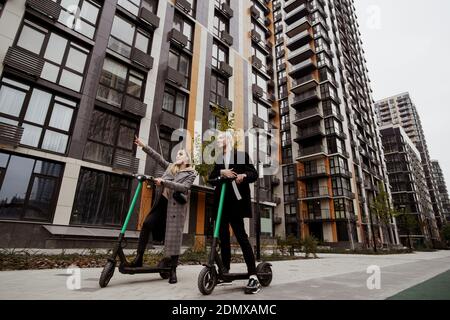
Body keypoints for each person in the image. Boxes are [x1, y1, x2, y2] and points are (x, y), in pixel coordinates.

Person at [133, 136, 197, 284]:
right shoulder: (170, 167)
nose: (177, 156)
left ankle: (173, 270)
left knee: (173, 239)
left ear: (187, 159)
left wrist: (165, 182)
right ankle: (139, 258)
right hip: (162, 203)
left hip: (175, 209)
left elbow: (184, 188)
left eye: (181, 154)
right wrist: (143, 145)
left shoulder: (191, 173)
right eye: (177, 154)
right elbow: (158, 157)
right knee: (147, 224)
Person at [208, 131, 261, 294]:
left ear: (229, 140)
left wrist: (244, 175)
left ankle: (253, 276)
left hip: (236, 204)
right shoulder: (218, 160)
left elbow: (254, 174)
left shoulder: (240, 155)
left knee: (242, 238)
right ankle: (225, 271)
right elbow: (211, 179)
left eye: (221, 138)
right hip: (221, 204)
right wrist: (221, 173)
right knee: (223, 238)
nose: (218, 140)